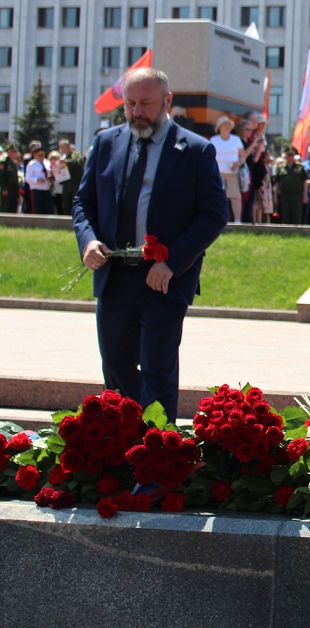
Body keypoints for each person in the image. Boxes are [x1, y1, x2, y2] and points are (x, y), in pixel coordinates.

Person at [72, 67, 227, 423]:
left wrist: (172, 262)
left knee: (157, 367)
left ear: (167, 102)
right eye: (130, 104)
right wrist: (88, 240)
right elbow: (84, 202)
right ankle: (126, 442)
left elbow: (214, 214)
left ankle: (158, 456)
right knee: (114, 363)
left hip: (163, 279)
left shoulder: (195, 150)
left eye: (146, 103)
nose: (137, 112)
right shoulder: (107, 142)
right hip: (115, 275)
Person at [210, 116, 245, 223]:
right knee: (218, 197)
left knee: (236, 197)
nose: (227, 127)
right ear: (219, 127)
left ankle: (238, 220)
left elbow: (243, 156)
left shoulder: (236, 140)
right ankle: (218, 219)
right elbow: (210, 156)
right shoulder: (213, 140)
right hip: (218, 173)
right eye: (225, 124)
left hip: (233, 173)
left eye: (229, 125)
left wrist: (237, 164)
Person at [275, 148, 306, 224]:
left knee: (296, 214)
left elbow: (305, 181)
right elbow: (277, 183)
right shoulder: (281, 168)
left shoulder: (299, 168)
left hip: (296, 195)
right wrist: (275, 196)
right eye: (288, 155)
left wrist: (305, 195)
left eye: (292, 155)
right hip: (284, 195)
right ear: (285, 156)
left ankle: (297, 232)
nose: (290, 157)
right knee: (285, 214)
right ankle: (286, 232)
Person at [24, 141, 53, 215]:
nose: (42, 157)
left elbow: (50, 172)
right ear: (35, 155)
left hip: (46, 188)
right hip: (36, 189)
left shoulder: (47, 163)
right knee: (37, 209)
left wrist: (50, 176)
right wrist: (37, 180)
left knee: (47, 208)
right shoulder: (32, 164)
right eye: (40, 156)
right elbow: (27, 178)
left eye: (43, 155)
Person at [58, 139, 85, 214]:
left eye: (63, 147)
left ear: (68, 147)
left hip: (75, 182)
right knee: (66, 203)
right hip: (66, 182)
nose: (62, 150)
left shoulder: (75, 154)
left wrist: (67, 162)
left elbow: (78, 162)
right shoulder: (63, 157)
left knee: (76, 202)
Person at [0, 142, 21, 213]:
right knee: (5, 206)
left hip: (14, 188)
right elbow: (2, 176)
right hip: (7, 188)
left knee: (14, 206)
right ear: (9, 152)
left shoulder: (14, 163)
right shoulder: (4, 162)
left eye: (15, 152)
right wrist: (4, 188)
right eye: (12, 152)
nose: (14, 154)